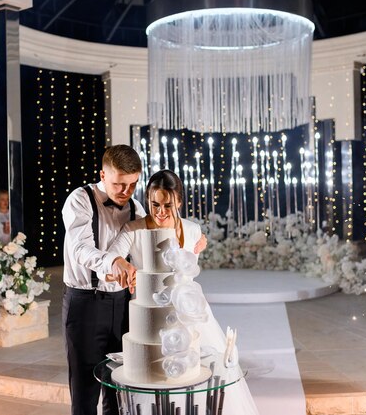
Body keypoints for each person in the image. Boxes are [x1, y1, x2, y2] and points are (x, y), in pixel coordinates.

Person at [102, 169, 260, 415]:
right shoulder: (132, 230)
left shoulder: (194, 230)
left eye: (168, 205)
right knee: (153, 380)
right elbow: (110, 259)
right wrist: (123, 271)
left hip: (189, 313)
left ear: (179, 201)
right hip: (151, 320)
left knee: (199, 380)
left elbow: (189, 271)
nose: (161, 212)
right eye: (154, 204)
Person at [61, 144, 146, 415]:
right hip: (85, 303)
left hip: (122, 306)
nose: (126, 192)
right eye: (120, 184)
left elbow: (159, 237)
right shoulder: (80, 199)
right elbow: (80, 250)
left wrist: (192, 239)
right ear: (102, 174)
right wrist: (113, 261)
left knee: (119, 391)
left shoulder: (136, 208)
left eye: (132, 185)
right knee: (85, 393)